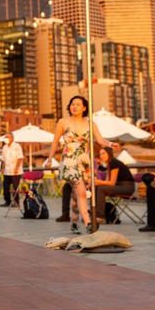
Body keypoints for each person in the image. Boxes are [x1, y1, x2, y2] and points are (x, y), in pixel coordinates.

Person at [48, 96, 112, 233]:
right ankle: (89, 222)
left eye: (78, 104)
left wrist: (111, 144)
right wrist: (49, 159)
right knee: (81, 191)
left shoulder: (91, 124)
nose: (74, 106)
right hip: (69, 161)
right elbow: (55, 142)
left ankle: (74, 221)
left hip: (84, 162)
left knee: (77, 194)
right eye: (72, 104)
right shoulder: (63, 122)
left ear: (84, 108)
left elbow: (100, 141)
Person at [92, 146, 136, 225]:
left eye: (103, 153)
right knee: (96, 187)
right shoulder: (109, 164)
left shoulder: (114, 163)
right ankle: (94, 212)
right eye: (100, 154)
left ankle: (100, 216)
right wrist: (95, 182)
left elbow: (111, 183)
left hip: (127, 187)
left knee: (101, 189)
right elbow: (106, 181)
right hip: (119, 186)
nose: (101, 156)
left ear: (109, 154)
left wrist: (97, 181)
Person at [0, 133, 24, 207]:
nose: (6, 138)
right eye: (5, 137)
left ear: (12, 138)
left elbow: (20, 158)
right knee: (5, 186)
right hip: (7, 171)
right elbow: (3, 159)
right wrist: (2, 168)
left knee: (15, 187)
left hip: (15, 171)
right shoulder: (4, 147)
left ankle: (16, 202)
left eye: (7, 137)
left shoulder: (17, 146)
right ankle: (7, 201)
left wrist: (16, 168)